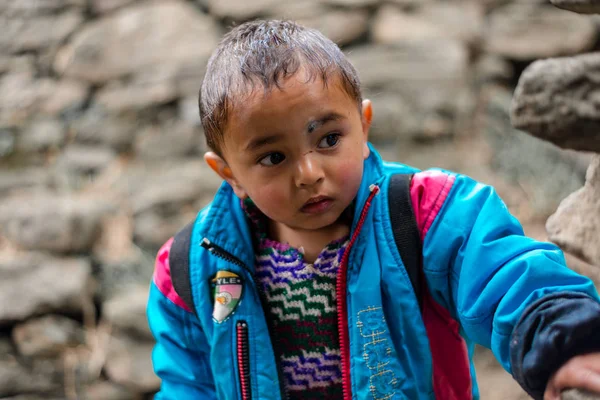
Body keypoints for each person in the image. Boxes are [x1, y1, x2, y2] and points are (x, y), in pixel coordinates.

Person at [147, 20, 600, 400]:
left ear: (363, 127)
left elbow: (504, 276)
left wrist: (565, 343)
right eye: (272, 158)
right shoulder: (191, 267)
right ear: (229, 173)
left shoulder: (423, 213)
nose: (308, 172)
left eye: (328, 139)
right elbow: (188, 384)